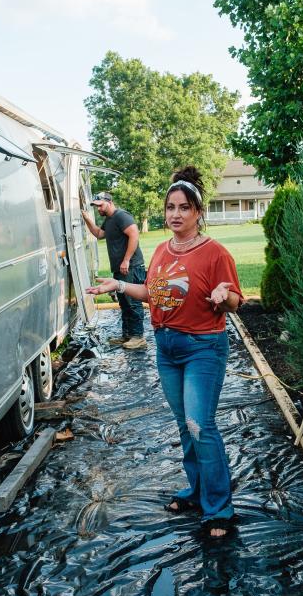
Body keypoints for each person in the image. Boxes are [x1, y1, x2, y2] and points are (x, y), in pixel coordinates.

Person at [86, 167, 243, 538]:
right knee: (183, 424)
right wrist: (122, 285)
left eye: (184, 208)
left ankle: (220, 508)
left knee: (200, 424)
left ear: (198, 213)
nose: (175, 214)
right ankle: (197, 491)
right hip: (167, 346)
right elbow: (153, 294)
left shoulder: (214, 252)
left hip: (203, 347)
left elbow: (234, 299)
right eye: (170, 207)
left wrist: (225, 297)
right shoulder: (160, 250)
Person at [82, 192, 146, 349]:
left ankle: (138, 337)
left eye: (100, 205)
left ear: (109, 202)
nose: (98, 209)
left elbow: (134, 235)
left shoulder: (121, 216)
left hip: (130, 267)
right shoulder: (109, 220)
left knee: (133, 303)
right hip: (120, 269)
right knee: (124, 303)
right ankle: (127, 336)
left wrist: (126, 260)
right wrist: (86, 219)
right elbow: (98, 234)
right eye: (96, 207)